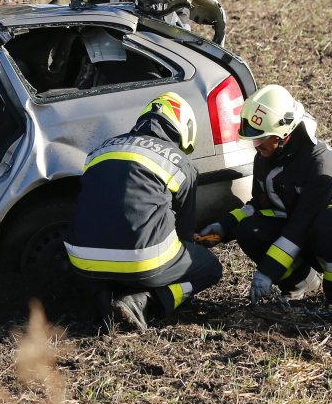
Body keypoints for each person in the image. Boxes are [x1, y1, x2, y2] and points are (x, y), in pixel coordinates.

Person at [198, 84, 332, 308]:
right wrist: (223, 226)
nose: (256, 145)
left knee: (329, 228)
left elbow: (302, 224)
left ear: (284, 133)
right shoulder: (265, 157)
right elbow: (259, 206)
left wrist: (267, 272)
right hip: (302, 224)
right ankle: (301, 283)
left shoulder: (321, 164)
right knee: (249, 230)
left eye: (262, 137)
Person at [65, 92, 223, 333]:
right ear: (184, 130)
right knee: (210, 268)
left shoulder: (99, 150)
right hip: (143, 261)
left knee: (110, 258)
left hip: (82, 259)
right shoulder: (180, 161)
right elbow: (184, 230)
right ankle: (145, 302)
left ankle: (101, 297)